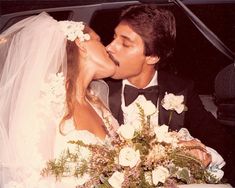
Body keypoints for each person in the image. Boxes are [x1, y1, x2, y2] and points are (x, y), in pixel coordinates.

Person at [105, 4, 235, 185]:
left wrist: (203, 153)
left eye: (125, 43)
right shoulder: (98, 89)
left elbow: (219, 138)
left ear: (152, 57)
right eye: (113, 37)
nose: (109, 47)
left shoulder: (181, 89)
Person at [0, 12, 119, 188]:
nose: (108, 48)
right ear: (81, 44)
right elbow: (30, 178)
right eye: (99, 40)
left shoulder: (98, 105)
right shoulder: (43, 104)